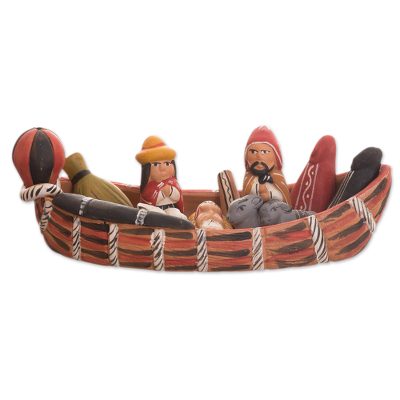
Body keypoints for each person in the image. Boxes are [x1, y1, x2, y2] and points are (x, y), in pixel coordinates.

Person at [135, 135, 186, 219]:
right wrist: (161, 193)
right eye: (156, 164)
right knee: (158, 214)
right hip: (155, 209)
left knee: (175, 214)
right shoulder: (149, 187)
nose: (162, 168)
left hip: (171, 208)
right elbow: (148, 198)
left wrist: (170, 191)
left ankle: (179, 222)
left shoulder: (173, 182)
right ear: (147, 169)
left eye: (167, 163)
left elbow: (177, 197)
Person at [243, 126, 291, 205]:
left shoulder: (278, 178)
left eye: (264, 152)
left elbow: (283, 197)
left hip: (275, 209)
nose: (259, 156)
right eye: (253, 152)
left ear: (276, 157)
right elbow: (245, 197)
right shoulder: (248, 179)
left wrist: (269, 195)